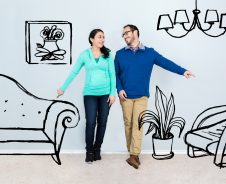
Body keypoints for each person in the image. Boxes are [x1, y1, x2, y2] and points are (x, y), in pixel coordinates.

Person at [114, 24, 194, 169]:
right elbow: (116, 74)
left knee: (138, 125)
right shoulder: (120, 54)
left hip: (142, 96)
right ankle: (131, 150)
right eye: (123, 35)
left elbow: (165, 63)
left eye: (126, 33)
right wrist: (119, 89)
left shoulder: (150, 53)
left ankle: (134, 155)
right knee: (128, 124)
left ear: (135, 32)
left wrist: (183, 71)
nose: (125, 36)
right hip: (125, 96)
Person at [57, 29, 116, 164]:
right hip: (90, 93)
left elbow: (112, 74)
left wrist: (113, 93)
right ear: (91, 39)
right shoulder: (84, 55)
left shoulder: (108, 55)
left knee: (102, 123)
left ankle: (97, 149)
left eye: (103, 37)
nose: (102, 39)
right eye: (99, 37)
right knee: (90, 122)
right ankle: (89, 151)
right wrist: (63, 88)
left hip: (106, 94)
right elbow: (74, 72)